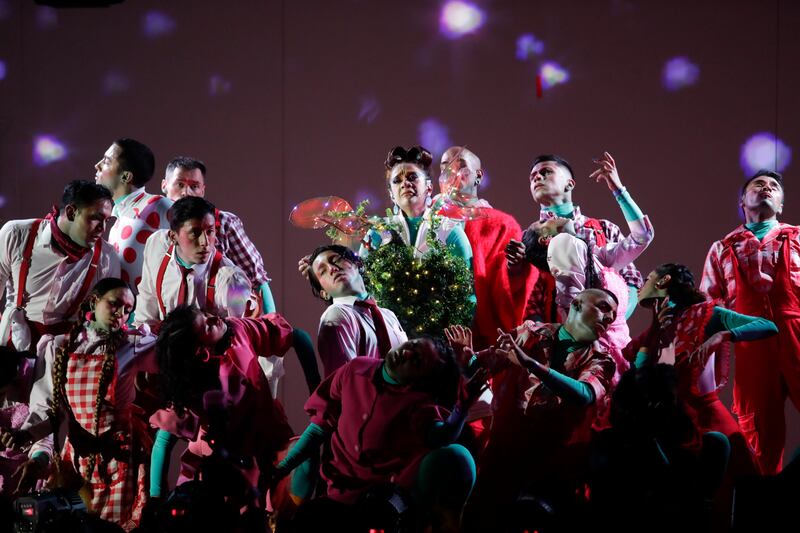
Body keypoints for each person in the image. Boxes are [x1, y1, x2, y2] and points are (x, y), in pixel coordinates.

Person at [275, 336, 485, 533]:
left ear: (420, 379)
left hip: (381, 502)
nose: (408, 354)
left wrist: (462, 409)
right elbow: (320, 425)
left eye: (417, 361)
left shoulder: (418, 405)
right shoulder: (355, 370)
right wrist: (283, 468)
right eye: (413, 345)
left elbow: (441, 436)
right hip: (337, 495)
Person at [462, 288, 618, 532]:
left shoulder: (602, 360)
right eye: (604, 307)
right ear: (576, 304)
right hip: (503, 454)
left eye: (613, 315)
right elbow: (483, 365)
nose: (610, 318)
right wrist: (466, 358)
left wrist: (530, 364)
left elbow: (585, 394)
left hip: (550, 470)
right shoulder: (531, 333)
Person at [11, 278, 156, 530]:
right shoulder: (59, 347)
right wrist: (30, 442)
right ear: (93, 301)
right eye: (115, 304)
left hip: (120, 461)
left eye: (128, 310)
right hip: (78, 460)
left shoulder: (133, 344)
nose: (121, 314)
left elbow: (176, 350)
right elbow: (47, 409)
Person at [148, 305, 296, 517]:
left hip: (270, 439)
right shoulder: (193, 385)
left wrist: (294, 339)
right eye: (206, 327)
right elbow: (164, 440)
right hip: (227, 463)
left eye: (207, 315)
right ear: (201, 350)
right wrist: (155, 496)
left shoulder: (236, 329)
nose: (213, 319)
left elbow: (276, 333)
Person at [700, 169, 800, 475]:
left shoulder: (797, 238)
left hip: (797, 332)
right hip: (750, 342)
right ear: (742, 201)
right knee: (759, 431)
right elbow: (708, 305)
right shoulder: (722, 247)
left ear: (781, 205)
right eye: (759, 184)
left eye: (774, 187)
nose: (767, 188)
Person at [509, 153, 645, 323]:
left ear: (569, 183)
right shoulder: (526, 240)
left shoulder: (604, 229)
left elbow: (630, 281)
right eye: (532, 176)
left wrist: (610, 322)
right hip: (554, 338)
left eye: (546, 172)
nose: (537, 177)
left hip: (605, 337)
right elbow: (528, 300)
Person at [0, 180, 120, 351]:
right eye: (96, 218)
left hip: (65, 350)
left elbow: (104, 317)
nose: (102, 228)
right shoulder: (16, 234)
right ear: (71, 212)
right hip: (13, 344)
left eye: (107, 220)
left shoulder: (107, 257)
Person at [439, 146, 538, 351]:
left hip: (480, 339)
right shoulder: (427, 220)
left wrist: (517, 268)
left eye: (462, 165)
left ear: (479, 176)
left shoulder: (502, 224)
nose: (454, 171)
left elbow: (511, 290)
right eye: (446, 166)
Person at [160, 156, 276, 314]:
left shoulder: (224, 223)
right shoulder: (155, 226)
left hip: (217, 323)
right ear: (164, 185)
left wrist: (273, 325)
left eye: (194, 186)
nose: (186, 192)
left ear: (203, 190)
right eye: (179, 184)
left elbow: (258, 279)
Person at [133, 196, 251, 327]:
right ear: (173, 236)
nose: (204, 242)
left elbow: (240, 336)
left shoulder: (232, 280)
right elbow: (147, 307)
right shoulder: (156, 246)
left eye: (210, 232)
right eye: (195, 233)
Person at [307, 244, 406, 377]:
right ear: (324, 293)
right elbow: (348, 382)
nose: (332, 268)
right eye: (322, 271)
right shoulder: (336, 316)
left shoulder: (388, 315)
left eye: (336, 260)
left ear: (357, 264)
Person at [95, 138, 172, 288]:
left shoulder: (159, 205)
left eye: (106, 161)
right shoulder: (118, 217)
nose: (97, 165)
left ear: (126, 176)